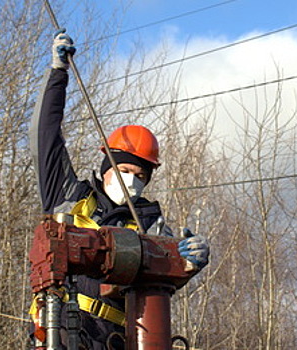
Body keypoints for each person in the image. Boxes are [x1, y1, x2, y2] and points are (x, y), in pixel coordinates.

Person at [30, 29, 210, 350]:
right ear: (106, 169)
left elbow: (167, 277)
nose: (132, 181)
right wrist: (58, 74)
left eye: (140, 175)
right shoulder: (69, 196)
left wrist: (189, 262)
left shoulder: (150, 224)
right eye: (124, 171)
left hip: (121, 339)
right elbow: (46, 136)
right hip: (62, 331)